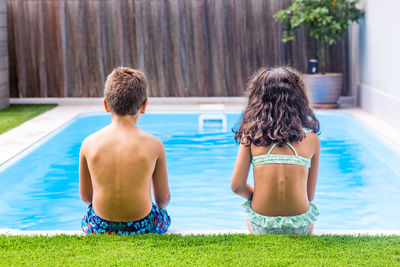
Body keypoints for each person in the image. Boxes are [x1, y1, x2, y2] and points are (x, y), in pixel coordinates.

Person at [80, 67, 171, 235]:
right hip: (143, 225)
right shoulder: (154, 144)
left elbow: (86, 197)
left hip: (101, 226)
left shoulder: (89, 143)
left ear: (106, 104)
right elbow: (162, 199)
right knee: (162, 214)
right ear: (144, 106)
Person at [231, 67, 320, 234]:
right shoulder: (313, 139)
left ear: (258, 101)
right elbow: (309, 196)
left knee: (250, 210)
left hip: (262, 225)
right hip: (300, 225)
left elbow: (237, 186)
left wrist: (257, 195)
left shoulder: (250, 136)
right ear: (299, 100)